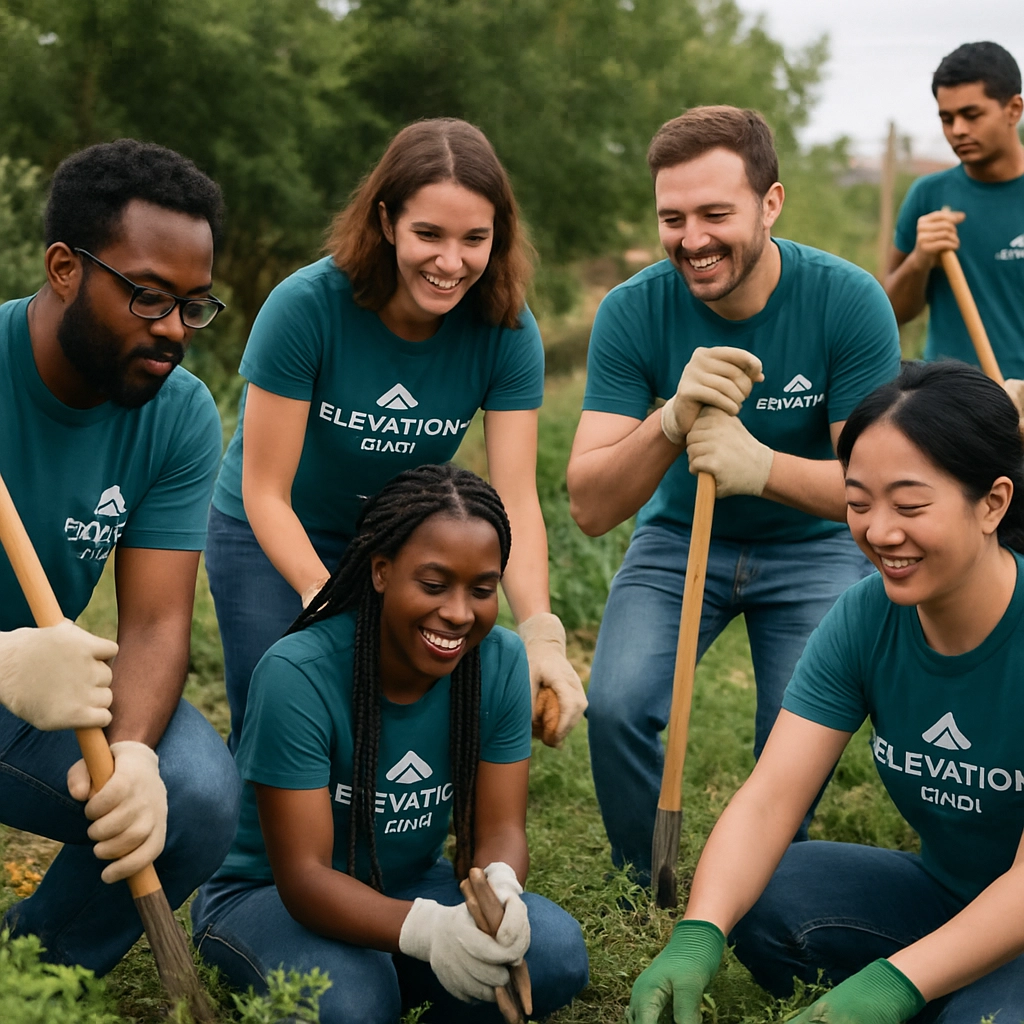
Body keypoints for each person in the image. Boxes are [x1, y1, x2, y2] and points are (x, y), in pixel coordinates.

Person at [629, 360, 1024, 1024]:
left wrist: (894, 984)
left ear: (993, 502)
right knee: (769, 898)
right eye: (859, 501)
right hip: (951, 894)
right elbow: (771, 797)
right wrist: (698, 933)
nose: (879, 531)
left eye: (909, 504)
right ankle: (954, 982)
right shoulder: (867, 616)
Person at [567, 105, 901, 884]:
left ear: (770, 203)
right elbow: (589, 505)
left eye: (716, 212)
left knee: (796, 726)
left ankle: (765, 888)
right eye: (673, 218)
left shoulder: (848, 303)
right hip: (681, 537)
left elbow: (877, 493)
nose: (693, 239)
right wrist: (669, 423)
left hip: (814, 545)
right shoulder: (633, 310)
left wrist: (763, 467)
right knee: (615, 706)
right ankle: (645, 880)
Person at [206, 118, 586, 753]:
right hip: (267, 529)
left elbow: (515, 498)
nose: (450, 262)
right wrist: (321, 598)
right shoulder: (305, 307)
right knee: (281, 709)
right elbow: (265, 490)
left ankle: (372, 850)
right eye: (428, 234)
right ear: (386, 223)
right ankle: (255, 851)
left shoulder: (508, 333)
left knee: (383, 721)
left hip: (393, 540)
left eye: (475, 239)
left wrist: (542, 633)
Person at [192, 464, 589, 1024]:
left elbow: (499, 829)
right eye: (433, 585)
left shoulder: (497, 664)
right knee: (351, 1006)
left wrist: (502, 892)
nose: (457, 612)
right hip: (270, 898)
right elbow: (304, 878)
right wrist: (429, 931)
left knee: (553, 955)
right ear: (380, 572)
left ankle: (395, 969)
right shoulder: (298, 675)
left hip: (406, 881)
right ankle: (375, 976)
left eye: (482, 590)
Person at [0, 139, 241, 974]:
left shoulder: (176, 415)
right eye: (147, 297)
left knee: (198, 797)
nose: (174, 330)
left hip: (39, 698)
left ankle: (32, 974)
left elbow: (158, 619)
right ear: (65, 268)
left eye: (194, 304)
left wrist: (134, 751)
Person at [885, 42, 1024, 387]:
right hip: (953, 402)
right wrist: (919, 261)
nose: (958, 130)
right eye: (947, 119)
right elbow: (888, 314)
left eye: (971, 115)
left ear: (1014, 109)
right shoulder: (929, 195)